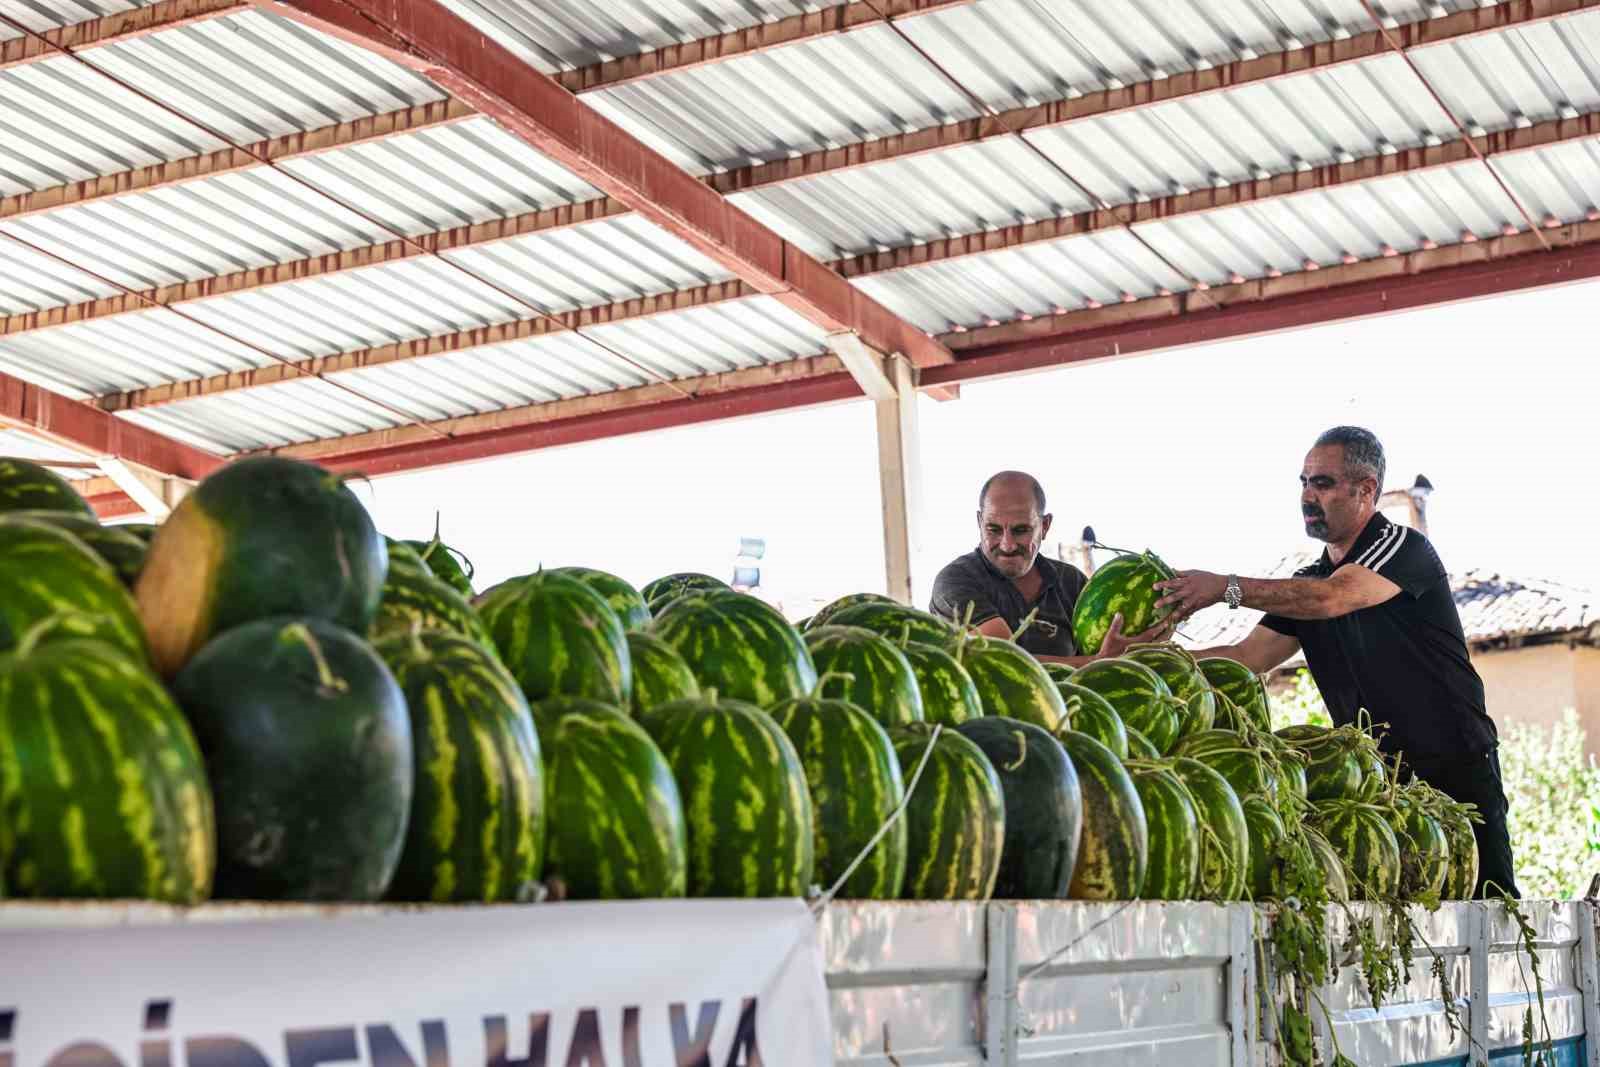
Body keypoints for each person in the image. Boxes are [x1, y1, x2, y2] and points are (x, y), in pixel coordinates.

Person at [1153, 426, 1517, 899]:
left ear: (1366, 489)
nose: (1307, 495)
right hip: (1374, 784)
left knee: (1487, 908)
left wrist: (1224, 587)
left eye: (1321, 483)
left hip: (1453, 767)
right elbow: (1249, 657)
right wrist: (1152, 659)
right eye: (1303, 482)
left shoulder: (1402, 549)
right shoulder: (1308, 582)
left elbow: (1332, 598)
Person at [929, 470, 1174, 665]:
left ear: (1044, 526)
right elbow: (1003, 660)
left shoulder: (1070, 582)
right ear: (979, 522)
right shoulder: (956, 581)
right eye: (993, 529)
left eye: (1021, 530)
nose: (1007, 544)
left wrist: (1163, 623)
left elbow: (1117, 649)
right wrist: (1098, 662)